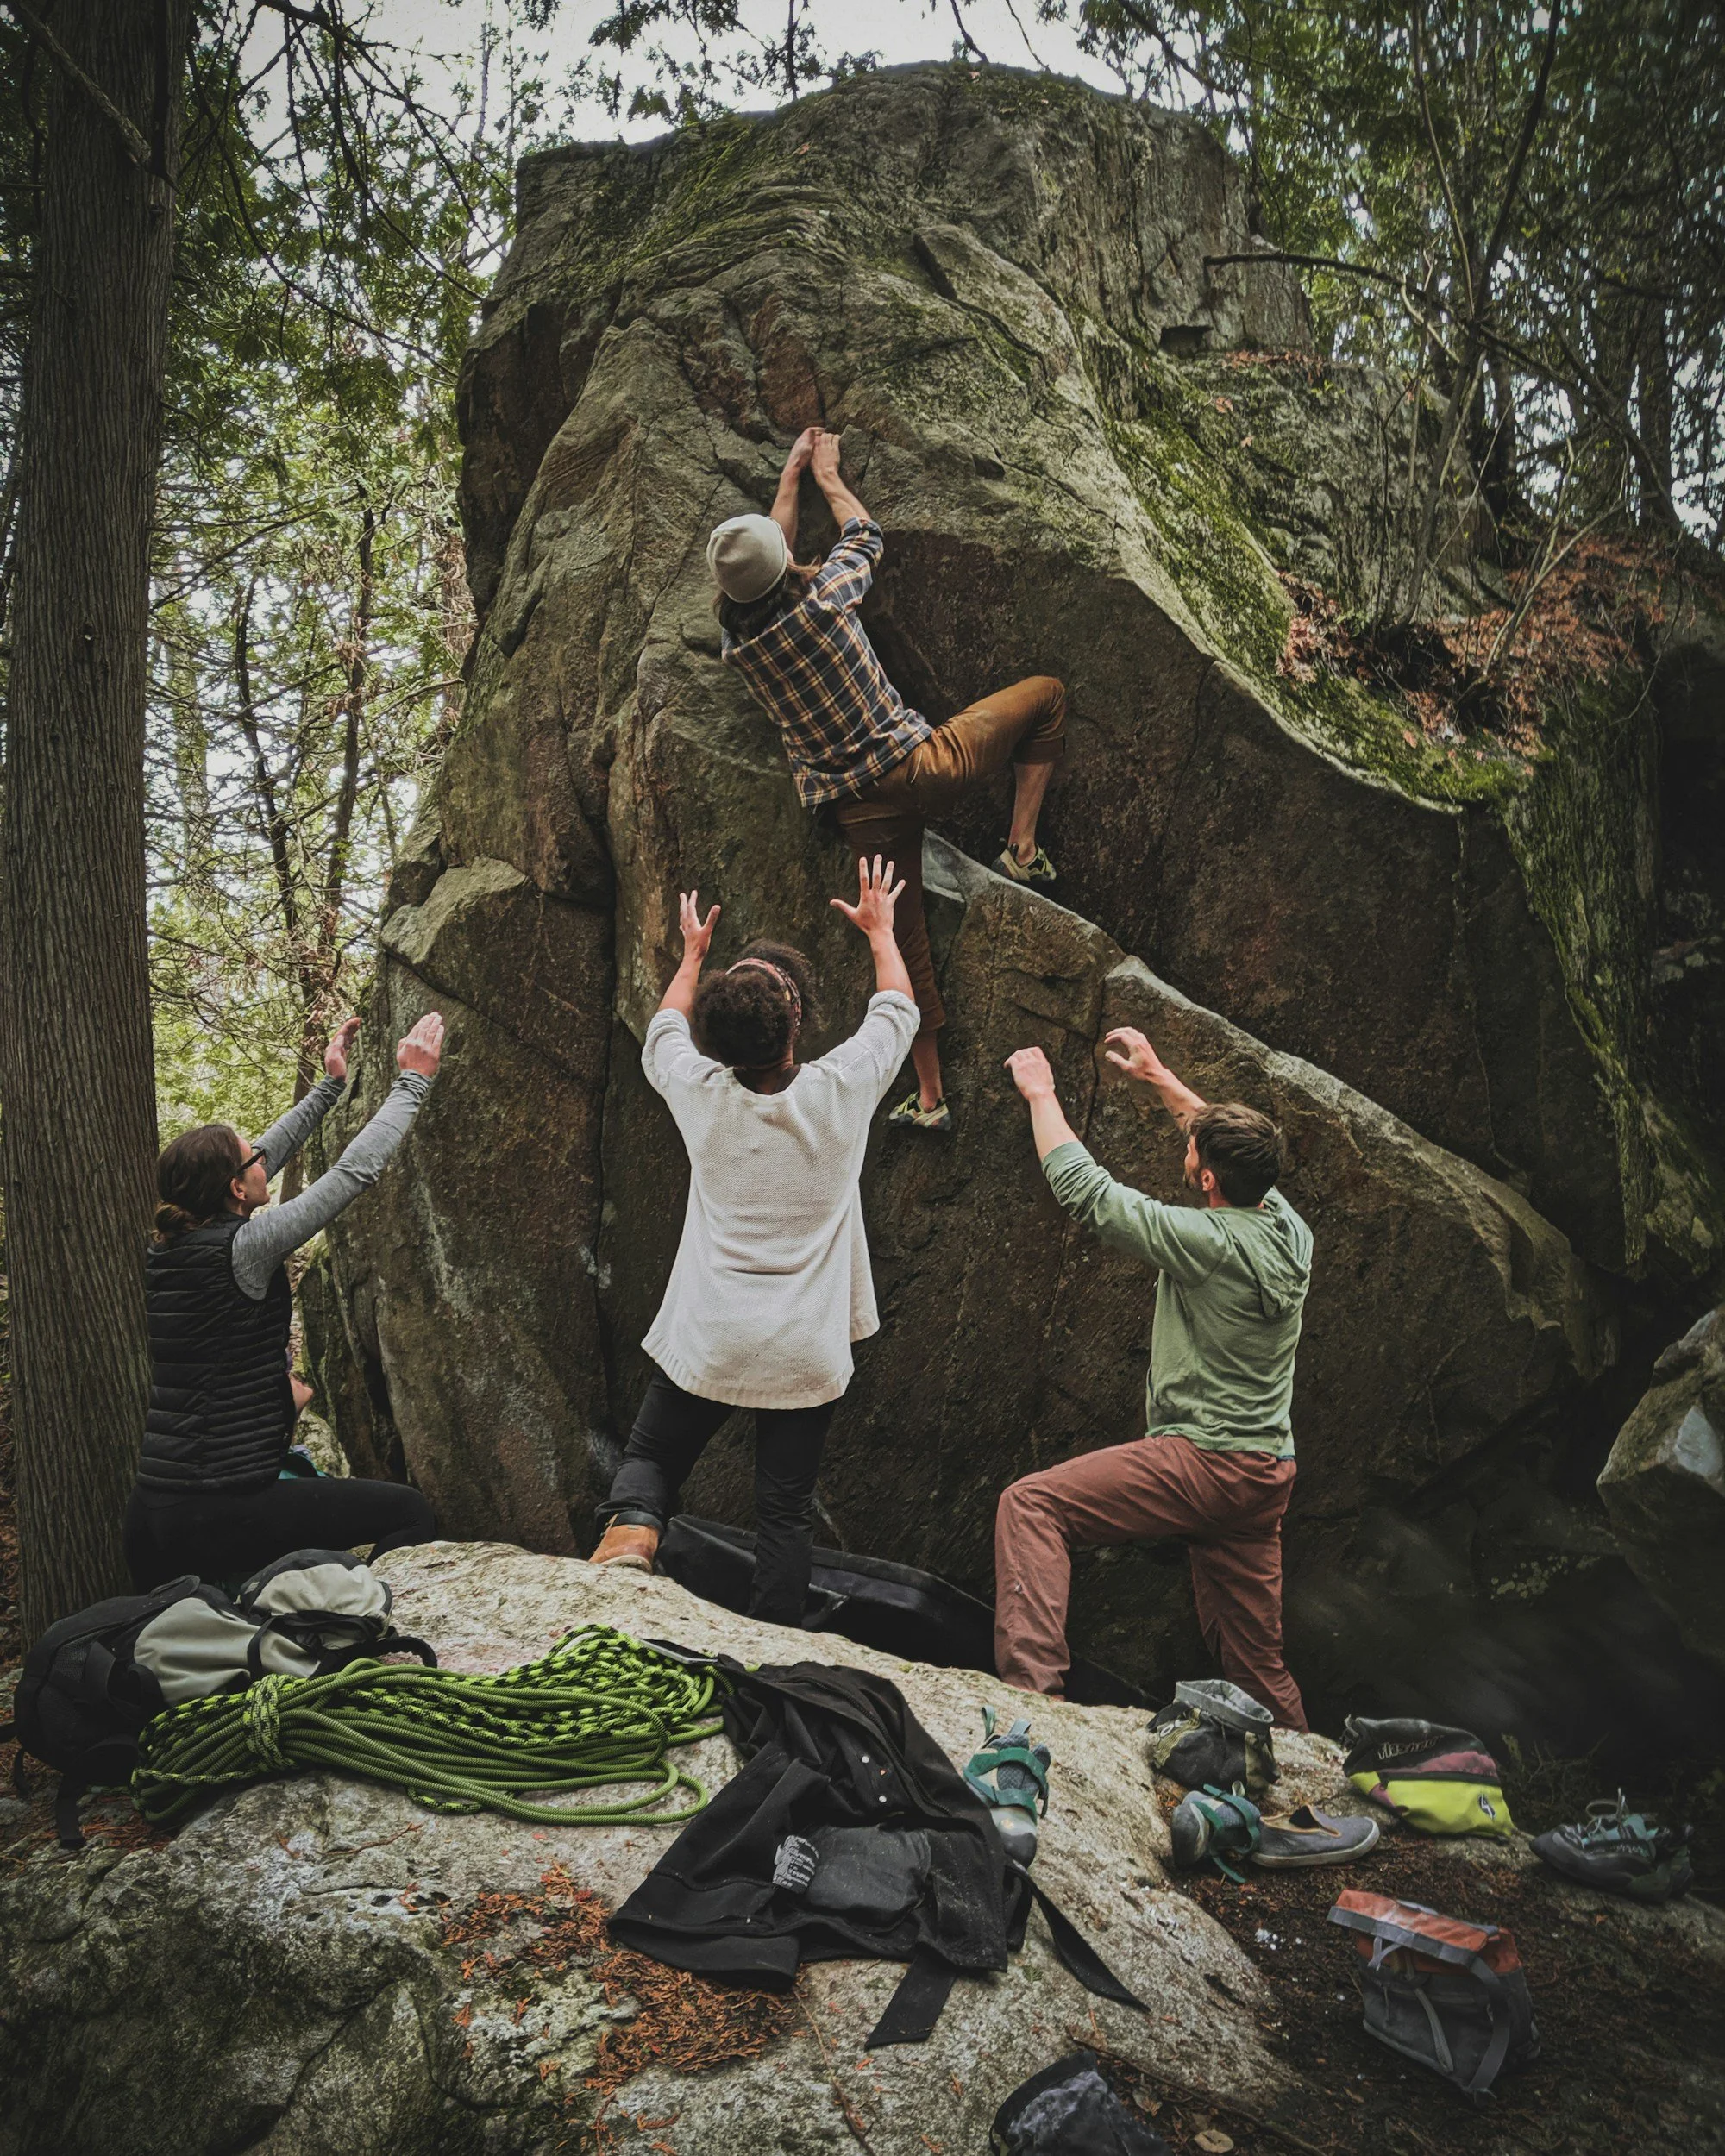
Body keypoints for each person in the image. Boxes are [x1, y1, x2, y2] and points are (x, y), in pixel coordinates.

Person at [589, 855, 921, 1624]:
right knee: (784, 1512)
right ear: (796, 1023)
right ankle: (774, 1646)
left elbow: (663, 1030)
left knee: (651, 1461)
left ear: (718, 1045)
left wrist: (693, 955)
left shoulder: (699, 1094)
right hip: (803, 1350)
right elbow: (897, 1010)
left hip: (711, 1336)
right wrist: (880, 930)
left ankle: (633, 1536)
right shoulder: (842, 1091)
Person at [707, 426, 1067, 1134]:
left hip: (857, 810)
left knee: (903, 947)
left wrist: (788, 480)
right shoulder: (828, 598)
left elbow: (768, 570)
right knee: (1048, 695)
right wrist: (828, 478)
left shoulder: (740, 649)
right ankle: (1021, 851)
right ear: (786, 565)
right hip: (922, 767)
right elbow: (865, 536)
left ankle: (931, 1099)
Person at [993, 1028, 1313, 1728]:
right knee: (1259, 1668)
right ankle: (1307, 1791)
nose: (1188, 1143)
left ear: (1205, 1181)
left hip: (1203, 1462)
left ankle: (1032, 1708)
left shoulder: (1208, 1241)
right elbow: (1222, 1144)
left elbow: (1092, 1196)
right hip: (1264, 1476)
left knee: (1032, 1506)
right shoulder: (1291, 1231)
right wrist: (1162, 1077)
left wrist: (1040, 1095)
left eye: (1195, 1148)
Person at [124, 1012, 447, 1590]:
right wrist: (413, 1081)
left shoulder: (172, 1247)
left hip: (154, 1513)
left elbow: (261, 1154)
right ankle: (366, 1641)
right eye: (252, 1161)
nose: (263, 1161)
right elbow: (351, 1173)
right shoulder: (246, 1248)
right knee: (407, 1512)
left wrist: (330, 1087)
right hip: (216, 1510)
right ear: (233, 1188)